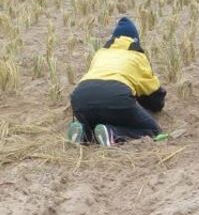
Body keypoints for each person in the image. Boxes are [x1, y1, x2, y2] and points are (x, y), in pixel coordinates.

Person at [69, 17, 166, 146]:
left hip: (80, 98)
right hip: (116, 96)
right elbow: (154, 97)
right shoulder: (138, 56)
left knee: (95, 120)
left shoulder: (100, 53)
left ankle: (84, 133)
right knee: (153, 131)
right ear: (135, 40)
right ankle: (112, 133)